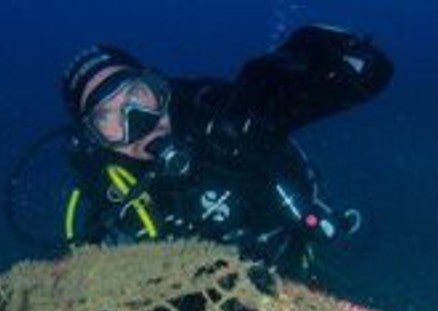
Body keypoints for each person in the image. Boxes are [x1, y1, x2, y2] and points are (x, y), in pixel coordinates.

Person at [60, 25, 393, 281]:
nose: (138, 120)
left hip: (293, 270)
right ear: (97, 139)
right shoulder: (108, 201)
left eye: (136, 95)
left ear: (157, 86)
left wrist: (314, 56)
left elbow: (372, 73)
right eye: (107, 116)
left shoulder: (223, 113)